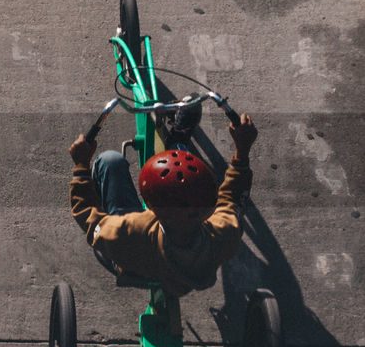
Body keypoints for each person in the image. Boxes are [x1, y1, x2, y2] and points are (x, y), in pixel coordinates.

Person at [68, 113, 259, 298]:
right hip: (185, 276)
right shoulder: (224, 232)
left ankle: (177, 143)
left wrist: (81, 166)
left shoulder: (129, 232)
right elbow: (233, 200)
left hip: (134, 264)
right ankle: (177, 143)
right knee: (184, 174)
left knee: (110, 160)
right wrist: (242, 150)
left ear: (152, 209)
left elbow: (88, 217)